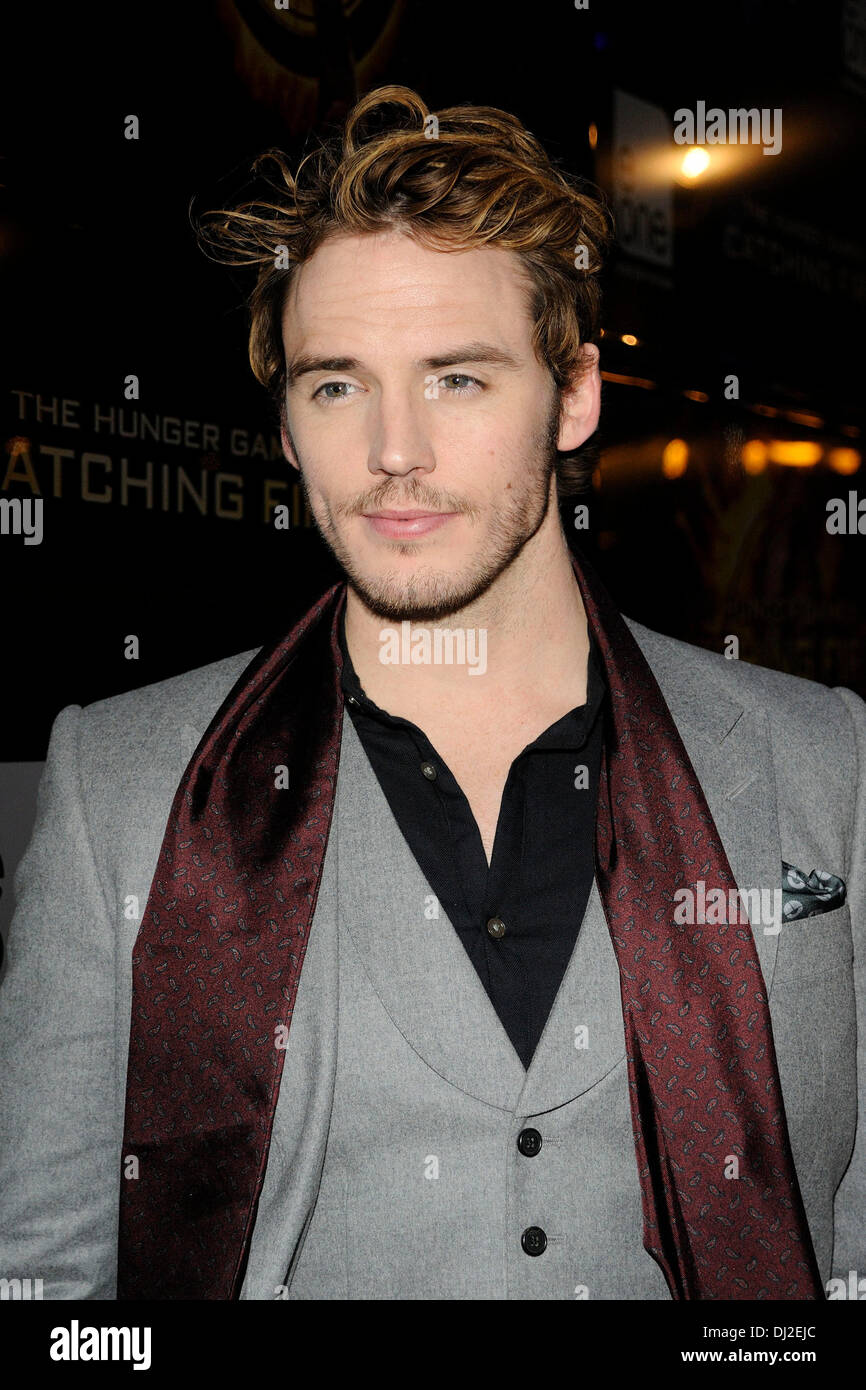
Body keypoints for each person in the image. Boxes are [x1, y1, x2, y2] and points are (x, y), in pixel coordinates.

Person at [0, 85, 862, 1302]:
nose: (393, 447)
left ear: (573, 395)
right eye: (336, 384)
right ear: (289, 426)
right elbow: (44, 1277)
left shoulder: (827, 759)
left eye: (457, 379)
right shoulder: (125, 785)